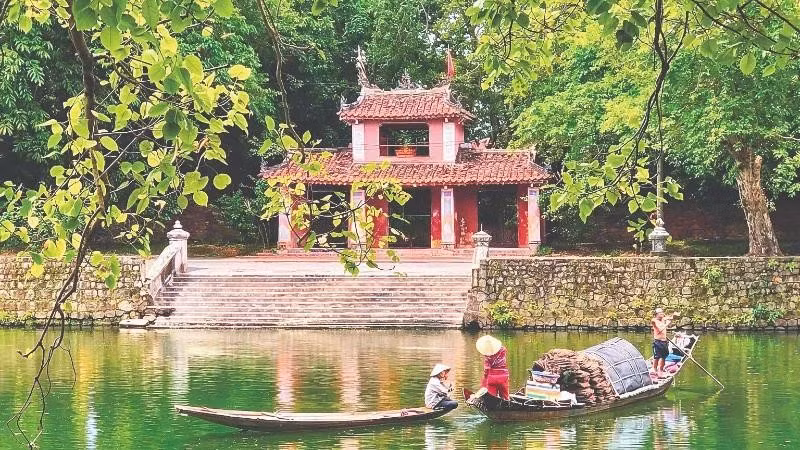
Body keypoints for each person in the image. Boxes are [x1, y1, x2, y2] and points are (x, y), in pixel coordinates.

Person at [476, 335, 510, 400]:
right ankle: (507, 405)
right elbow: (502, 348)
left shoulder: (488, 357)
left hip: (492, 378)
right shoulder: (503, 350)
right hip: (504, 376)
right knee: (505, 397)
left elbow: (486, 370)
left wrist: (485, 380)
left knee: (491, 397)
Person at [652, 307, 679, 378]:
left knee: (664, 356)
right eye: (660, 313)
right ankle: (655, 369)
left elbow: (670, 318)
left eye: (662, 313)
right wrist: (667, 324)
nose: (662, 314)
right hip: (658, 342)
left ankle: (661, 369)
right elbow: (660, 329)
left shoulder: (663, 319)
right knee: (657, 356)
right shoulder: (654, 321)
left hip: (664, 342)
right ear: (656, 314)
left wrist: (674, 316)